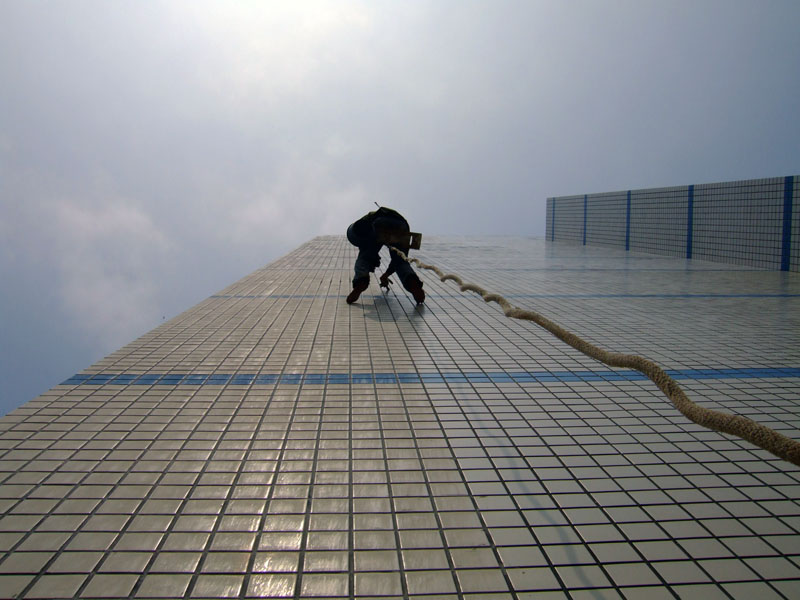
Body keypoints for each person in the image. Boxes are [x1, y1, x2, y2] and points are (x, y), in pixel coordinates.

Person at [346, 206, 425, 305]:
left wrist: (370, 259)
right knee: (400, 261)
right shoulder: (370, 218)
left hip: (379, 223)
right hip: (402, 225)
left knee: (364, 259)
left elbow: (369, 252)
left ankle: (361, 280)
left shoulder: (359, 228)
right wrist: (386, 274)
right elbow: (396, 261)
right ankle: (413, 283)